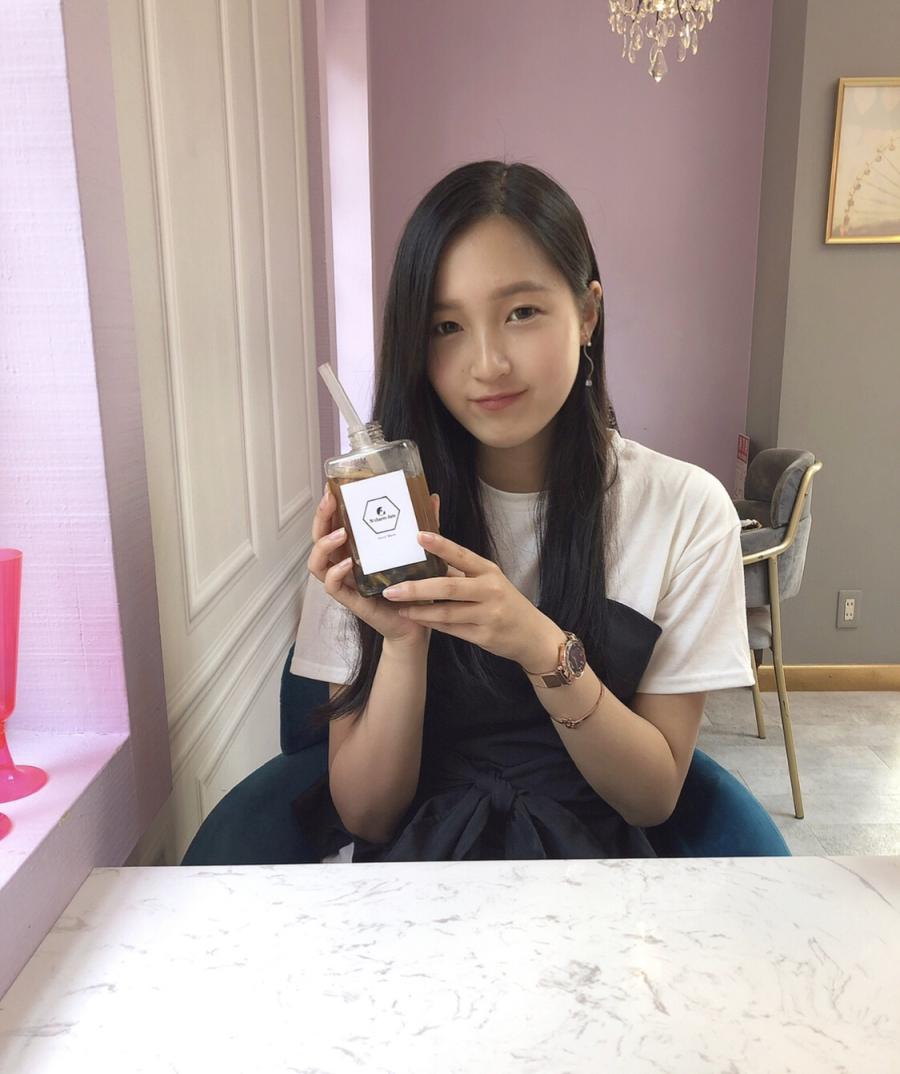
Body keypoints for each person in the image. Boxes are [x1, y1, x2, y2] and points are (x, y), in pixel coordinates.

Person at [291, 160, 755, 862]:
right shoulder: (376, 514)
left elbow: (652, 797)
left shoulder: (685, 510)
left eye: (521, 313)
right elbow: (368, 816)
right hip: (414, 885)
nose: (488, 363)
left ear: (588, 313)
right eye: (446, 326)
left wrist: (541, 648)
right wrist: (406, 642)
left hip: (597, 878)